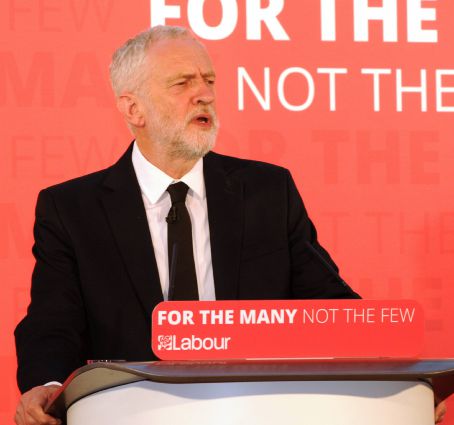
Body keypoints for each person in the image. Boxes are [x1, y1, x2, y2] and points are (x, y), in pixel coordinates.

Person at [13, 25, 445, 425]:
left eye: (209, 81)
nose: (203, 94)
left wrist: (405, 384)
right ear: (133, 108)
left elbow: (328, 305)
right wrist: (49, 386)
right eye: (182, 83)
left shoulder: (267, 191)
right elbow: (54, 321)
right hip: (132, 412)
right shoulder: (72, 208)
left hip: (256, 410)